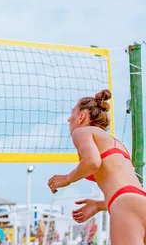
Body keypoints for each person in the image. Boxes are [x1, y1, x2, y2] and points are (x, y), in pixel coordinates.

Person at [47, 89, 146, 244]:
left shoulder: (81, 132)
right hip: (140, 200)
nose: (68, 119)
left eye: (72, 113)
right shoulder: (118, 144)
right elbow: (122, 186)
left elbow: (92, 162)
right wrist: (99, 206)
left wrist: (66, 179)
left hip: (123, 203)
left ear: (81, 116)